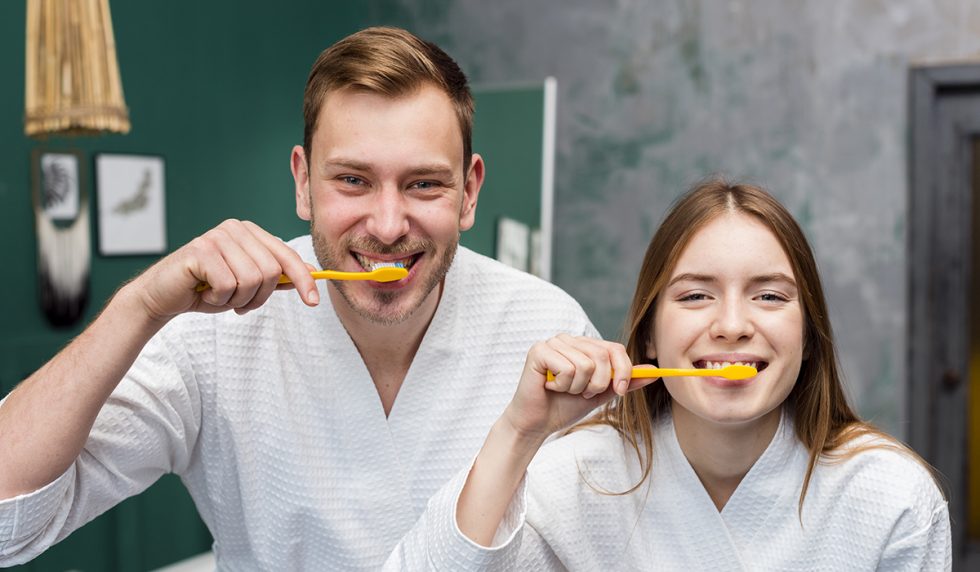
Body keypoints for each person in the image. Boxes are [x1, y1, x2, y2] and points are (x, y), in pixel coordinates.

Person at [0, 27, 596, 569]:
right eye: (353, 180)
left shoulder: (546, 326)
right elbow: (9, 525)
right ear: (303, 183)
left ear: (468, 192)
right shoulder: (210, 333)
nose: (388, 226)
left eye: (423, 184)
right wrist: (141, 306)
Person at [391, 179, 951, 570]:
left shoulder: (890, 497)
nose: (732, 325)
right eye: (696, 294)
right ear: (650, 333)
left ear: (808, 338)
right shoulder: (575, 481)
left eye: (770, 295)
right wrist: (519, 432)